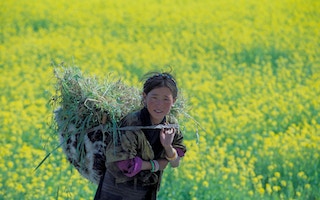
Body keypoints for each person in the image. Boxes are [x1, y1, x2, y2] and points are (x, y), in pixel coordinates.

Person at [94, 72, 187, 200]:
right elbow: (126, 164)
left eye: (166, 99)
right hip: (115, 191)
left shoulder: (171, 125)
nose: (159, 104)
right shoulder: (132, 123)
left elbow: (175, 162)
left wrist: (167, 146)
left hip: (146, 192)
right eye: (154, 97)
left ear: (174, 101)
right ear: (144, 97)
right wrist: (156, 164)